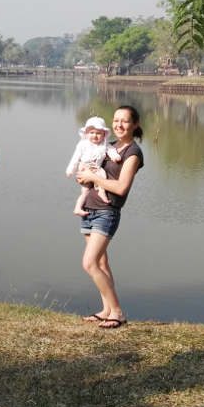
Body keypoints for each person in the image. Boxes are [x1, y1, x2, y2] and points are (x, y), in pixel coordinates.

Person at [75, 105, 144, 329]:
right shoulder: (107, 145)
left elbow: (121, 187)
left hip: (107, 212)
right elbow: (90, 171)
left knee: (89, 263)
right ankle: (106, 310)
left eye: (124, 121)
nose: (119, 125)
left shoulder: (132, 152)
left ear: (135, 124)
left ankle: (117, 312)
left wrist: (93, 177)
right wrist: (83, 177)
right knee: (102, 262)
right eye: (115, 120)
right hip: (89, 208)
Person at [65, 116, 120, 216]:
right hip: (84, 167)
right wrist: (70, 170)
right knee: (85, 190)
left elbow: (111, 150)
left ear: (104, 134)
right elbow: (75, 158)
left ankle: (101, 192)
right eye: (92, 133)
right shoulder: (83, 144)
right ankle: (77, 208)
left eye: (98, 133)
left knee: (100, 175)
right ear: (86, 134)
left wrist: (115, 156)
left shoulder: (104, 145)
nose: (95, 135)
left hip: (96, 168)